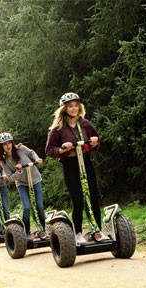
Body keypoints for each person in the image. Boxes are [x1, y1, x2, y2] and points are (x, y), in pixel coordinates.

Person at [45, 92, 101, 245]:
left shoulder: (85, 124)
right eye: (70, 106)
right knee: (78, 200)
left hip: (86, 161)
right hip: (70, 165)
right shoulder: (58, 129)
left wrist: (95, 142)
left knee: (94, 197)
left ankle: (97, 231)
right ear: (64, 109)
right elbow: (49, 150)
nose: (74, 108)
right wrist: (62, 149)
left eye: (76, 105)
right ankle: (77, 234)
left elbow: (95, 141)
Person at [0, 132, 46, 241]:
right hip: (22, 183)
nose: (8, 145)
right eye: (5, 144)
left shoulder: (21, 149)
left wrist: (37, 159)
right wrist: (18, 172)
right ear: (1, 147)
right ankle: (27, 232)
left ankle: (44, 229)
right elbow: (9, 178)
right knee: (27, 207)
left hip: (35, 179)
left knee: (40, 206)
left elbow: (31, 152)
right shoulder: (4, 161)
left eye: (9, 143)